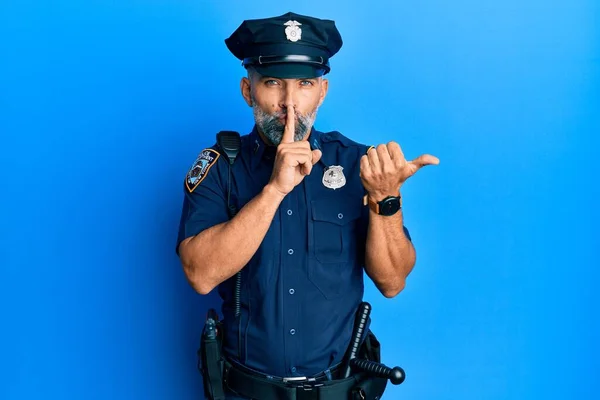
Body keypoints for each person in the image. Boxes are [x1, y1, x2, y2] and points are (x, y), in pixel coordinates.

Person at [176, 11, 439, 400]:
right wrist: (273, 191)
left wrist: (386, 200)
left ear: (322, 92)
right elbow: (199, 274)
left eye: (303, 84)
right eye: (272, 83)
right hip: (246, 391)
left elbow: (392, 282)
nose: (289, 103)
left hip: (339, 388)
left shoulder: (356, 164)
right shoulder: (220, 167)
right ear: (248, 91)